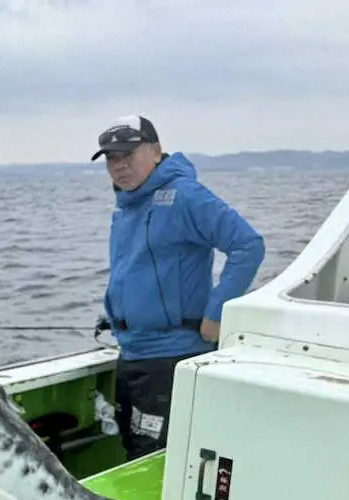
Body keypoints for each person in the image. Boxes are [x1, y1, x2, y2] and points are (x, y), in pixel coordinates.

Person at [91, 115, 265, 461]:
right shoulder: (125, 206)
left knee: (155, 457)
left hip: (172, 356)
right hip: (133, 353)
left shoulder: (185, 196)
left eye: (128, 154)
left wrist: (217, 313)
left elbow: (248, 246)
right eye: (112, 158)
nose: (119, 165)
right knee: (134, 447)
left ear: (156, 152)